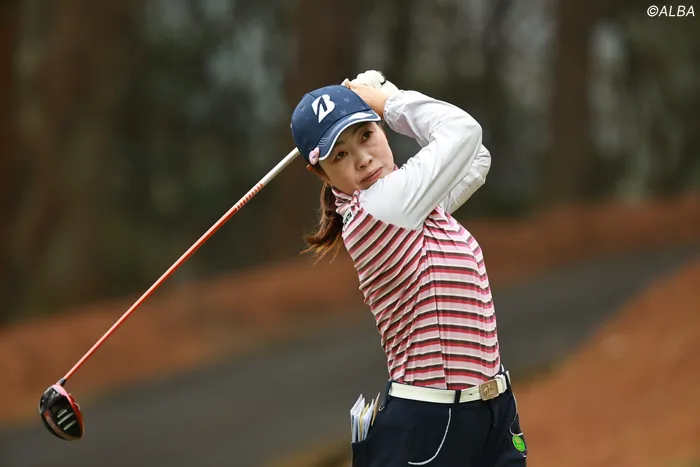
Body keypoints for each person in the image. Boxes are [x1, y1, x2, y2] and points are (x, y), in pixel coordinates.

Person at [289, 70, 527, 467]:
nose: (363, 159)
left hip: (493, 414)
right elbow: (464, 131)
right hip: (433, 426)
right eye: (340, 155)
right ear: (321, 174)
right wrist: (390, 101)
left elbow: (476, 157)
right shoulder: (378, 208)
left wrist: (387, 97)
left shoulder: (411, 205)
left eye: (366, 135)